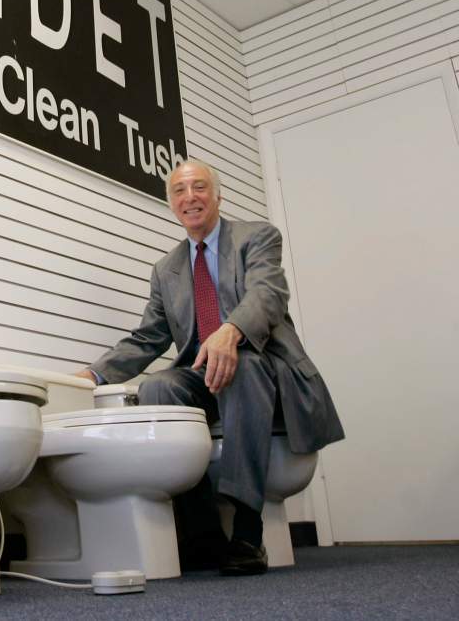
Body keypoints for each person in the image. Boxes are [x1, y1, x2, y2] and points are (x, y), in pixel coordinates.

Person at [76, 159, 343, 576]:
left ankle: (247, 532)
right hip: (204, 374)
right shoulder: (166, 269)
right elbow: (149, 337)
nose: (190, 197)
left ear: (217, 196)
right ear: (172, 204)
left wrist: (230, 331)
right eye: (179, 191)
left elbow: (267, 295)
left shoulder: (257, 237)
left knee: (243, 365)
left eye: (199, 187)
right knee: (157, 387)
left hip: (266, 371)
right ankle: (201, 532)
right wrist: (93, 375)